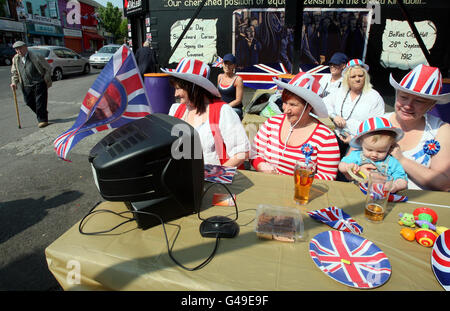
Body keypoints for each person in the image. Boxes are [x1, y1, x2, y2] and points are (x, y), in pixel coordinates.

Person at [250, 72, 340, 180]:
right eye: (285, 102)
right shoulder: (272, 123)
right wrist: (261, 166)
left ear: (309, 106)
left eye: (293, 105)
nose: (286, 109)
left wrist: (297, 182)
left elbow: (328, 177)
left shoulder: (326, 137)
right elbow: (254, 153)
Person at [162, 58, 250, 167]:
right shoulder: (176, 110)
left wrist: (216, 175)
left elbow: (241, 152)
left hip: (215, 181)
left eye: (179, 88)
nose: (176, 94)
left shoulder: (223, 111)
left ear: (194, 88)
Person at [385, 64, 450, 191]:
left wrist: (401, 160)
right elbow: (350, 164)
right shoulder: (377, 122)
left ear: (431, 105)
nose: (408, 106)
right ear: (396, 95)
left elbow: (444, 184)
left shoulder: (441, 130)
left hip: (419, 208)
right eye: (404, 97)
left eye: (419, 101)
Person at [323, 59, 385, 157]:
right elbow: (324, 103)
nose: (357, 79)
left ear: (366, 77)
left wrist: (354, 139)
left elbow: (376, 128)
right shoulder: (340, 92)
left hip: (359, 144)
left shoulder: (374, 97)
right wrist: (334, 116)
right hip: (337, 137)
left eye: (361, 76)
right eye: (353, 76)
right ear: (347, 79)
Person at [339, 117, 408, 193]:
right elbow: (341, 166)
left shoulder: (392, 162)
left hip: (380, 196)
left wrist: (395, 185)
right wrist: (347, 167)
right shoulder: (357, 155)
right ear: (362, 143)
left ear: (390, 146)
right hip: (356, 191)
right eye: (369, 150)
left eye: (381, 151)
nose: (374, 154)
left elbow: (402, 180)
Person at [10, 40, 53, 128]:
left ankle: (42, 120)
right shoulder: (16, 58)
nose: (19, 51)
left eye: (20, 49)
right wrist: (14, 83)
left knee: (40, 102)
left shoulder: (36, 56)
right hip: (26, 84)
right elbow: (15, 72)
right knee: (29, 102)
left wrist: (46, 79)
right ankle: (42, 113)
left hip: (39, 82)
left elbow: (48, 68)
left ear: (25, 47)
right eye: (16, 50)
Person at [217, 53, 244, 120]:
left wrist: (225, 107)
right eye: (225, 63)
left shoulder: (238, 80)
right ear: (222, 64)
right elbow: (219, 95)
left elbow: (238, 100)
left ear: (234, 66)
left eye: (230, 64)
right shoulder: (220, 77)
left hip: (234, 109)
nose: (227, 66)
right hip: (222, 108)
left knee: (223, 116)